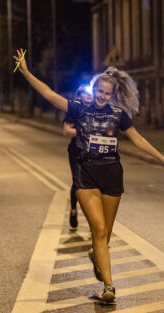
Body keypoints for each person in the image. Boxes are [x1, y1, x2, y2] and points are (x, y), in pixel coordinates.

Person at [13, 48, 164, 303]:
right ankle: (109, 288)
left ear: (113, 94)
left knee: (105, 234)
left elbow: (138, 140)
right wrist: (26, 72)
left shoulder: (119, 115)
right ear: (93, 91)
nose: (103, 97)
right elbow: (49, 93)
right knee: (100, 230)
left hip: (112, 175)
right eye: (100, 92)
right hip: (86, 175)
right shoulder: (79, 109)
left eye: (108, 93)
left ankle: (97, 255)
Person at [63, 86, 93, 229]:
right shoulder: (74, 110)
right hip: (76, 150)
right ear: (79, 96)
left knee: (92, 184)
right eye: (86, 93)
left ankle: (92, 218)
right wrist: (83, 131)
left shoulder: (96, 111)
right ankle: (74, 210)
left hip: (93, 152)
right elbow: (66, 131)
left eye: (91, 93)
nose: (89, 96)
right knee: (78, 182)